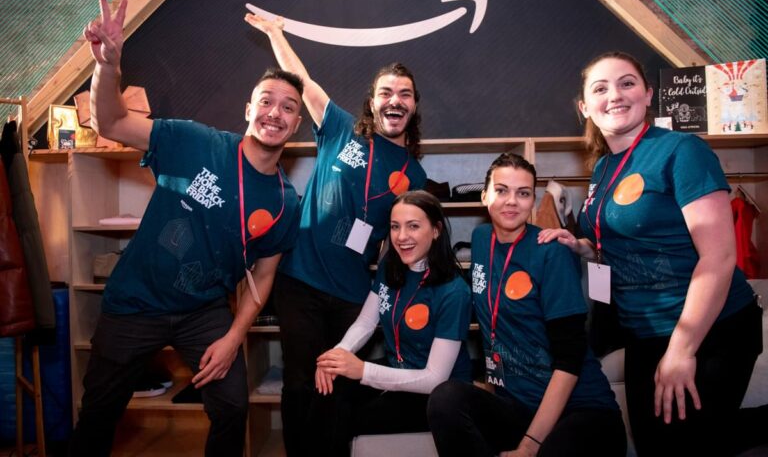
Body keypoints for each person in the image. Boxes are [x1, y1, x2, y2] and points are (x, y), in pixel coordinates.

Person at [69, 0, 303, 457]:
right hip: (134, 302)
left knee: (233, 407)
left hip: (204, 313)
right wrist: (108, 65)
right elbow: (111, 122)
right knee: (98, 413)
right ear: (247, 109)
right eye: (266, 101)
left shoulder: (285, 202)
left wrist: (234, 337)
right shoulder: (194, 142)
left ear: (297, 124)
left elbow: (263, 276)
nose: (275, 112)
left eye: (289, 107)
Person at [538, 51, 763, 456]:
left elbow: (719, 255)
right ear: (585, 107)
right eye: (600, 88)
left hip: (710, 328)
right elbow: (619, 242)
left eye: (627, 83)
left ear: (647, 94)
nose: (615, 95)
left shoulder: (681, 151)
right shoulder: (604, 169)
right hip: (644, 332)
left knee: (689, 443)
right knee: (654, 442)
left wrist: (683, 347)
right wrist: (582, 247)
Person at [245, 13, 427, 454]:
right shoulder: (342, 129)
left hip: (352, 293)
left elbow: (397, 246)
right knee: (301, 382)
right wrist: (276, 35)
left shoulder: (414, 173)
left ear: (414, 106)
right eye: (386, 92)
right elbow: (303, 82)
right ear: (372, 102)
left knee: (342, 384)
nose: (395, 100)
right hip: (300, 282)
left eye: (404, 94)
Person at [428, 152, 626, 457]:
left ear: (532, 201)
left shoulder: (551, 251)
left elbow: (570, 360)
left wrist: (528, 447)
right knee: (446, 399)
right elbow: (491, 330)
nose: (511, 201)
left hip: (581, 411)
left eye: (523, 194)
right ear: (484, 196)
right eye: (502, 190)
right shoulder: (481, 240)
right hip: (519, 408)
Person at [312, 190, 472, 455]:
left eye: (413, 226)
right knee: (327, 392)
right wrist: (338, 354)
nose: (401, 237)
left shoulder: (454, 292)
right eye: (395, 227)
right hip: (397, 368)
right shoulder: (391, 266)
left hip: (437, 395)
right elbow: (365, 321)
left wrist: (362, 370)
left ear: (435, 230)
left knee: (350, 418)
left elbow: (434, 379)